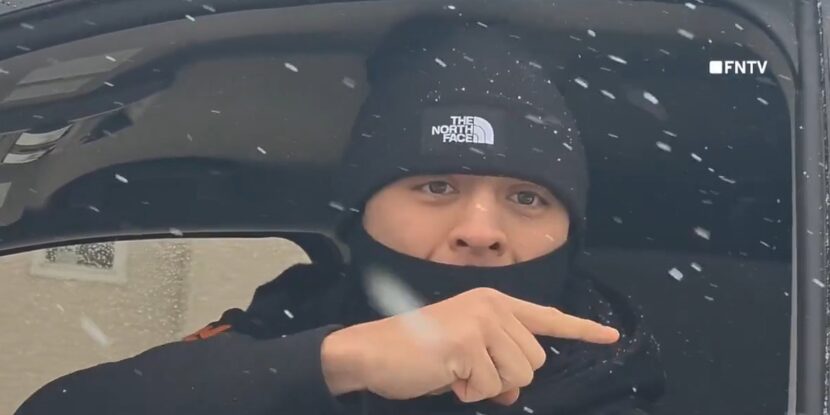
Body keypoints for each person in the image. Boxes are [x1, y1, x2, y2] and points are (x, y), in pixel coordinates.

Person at [15, 17, 666, 415]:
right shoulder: (282, 334)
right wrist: (333, 363)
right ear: (363, 214)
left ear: (570, 230)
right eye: (437, 186)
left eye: (527, 198)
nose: (481, 229)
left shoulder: (609, 377)